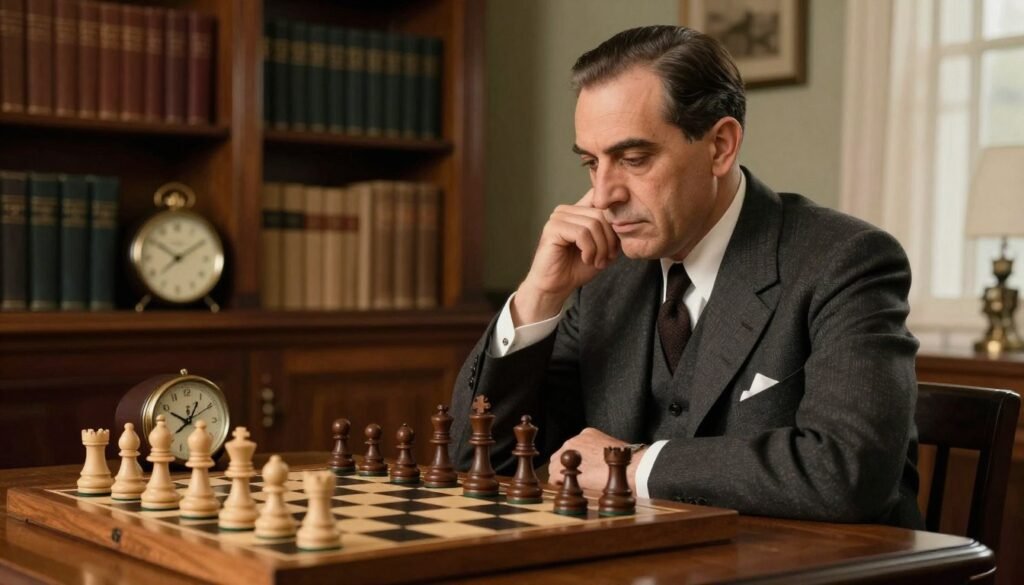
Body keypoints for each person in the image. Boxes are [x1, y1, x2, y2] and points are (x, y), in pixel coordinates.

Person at [449, 25, 922, 528]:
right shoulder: (604, 279)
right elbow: (482, 462)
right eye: (592, 162)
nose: (604, 193)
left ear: (720, 145)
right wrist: (540, 294)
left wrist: (633, 467)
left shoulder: (846, 260)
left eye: (633, 159)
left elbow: (849, 473)